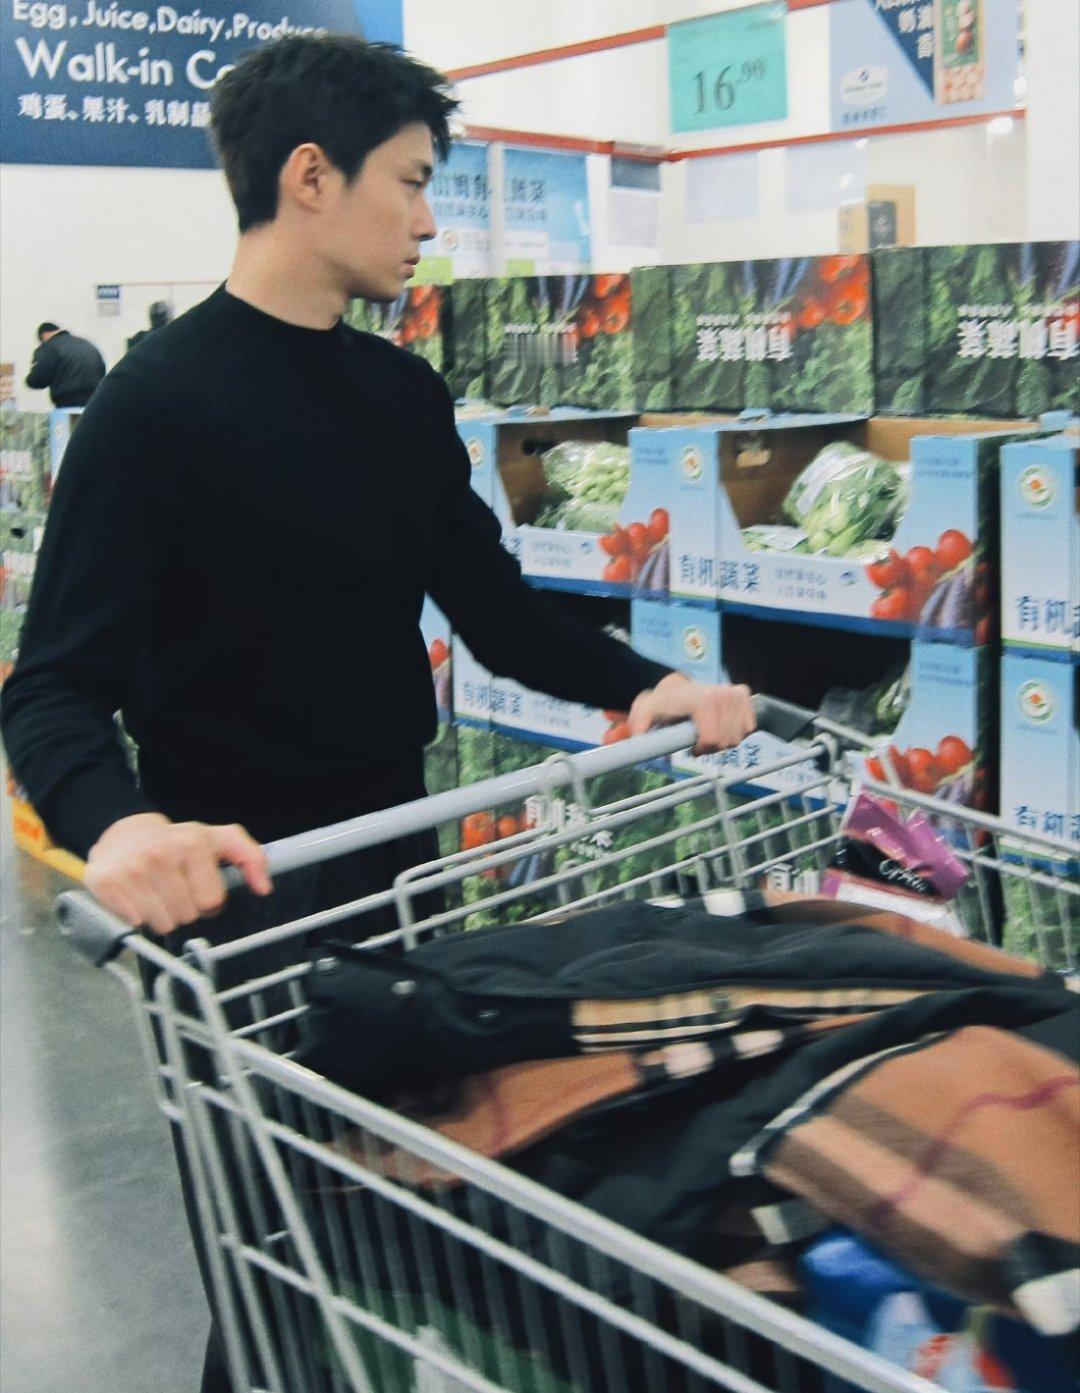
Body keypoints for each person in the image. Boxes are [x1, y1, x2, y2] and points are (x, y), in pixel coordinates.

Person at [0, 35, 755, 1391]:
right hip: (232, 901)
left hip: (397, 867)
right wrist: (117, 827)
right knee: (270, 1242)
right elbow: (53, 682)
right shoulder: (152, 408)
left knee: (392, 1219)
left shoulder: (399, 394)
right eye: (410, 184)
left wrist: (648, 683)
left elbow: (497, 611)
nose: (426, 221)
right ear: (310, 177)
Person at [23, 321, 106, 407]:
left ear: (44, 335)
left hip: (67, 402)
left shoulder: (48, 346)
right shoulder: (87, 343)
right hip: (94, 403)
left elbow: (38, 379)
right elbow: (102, 369)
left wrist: (29, 381)